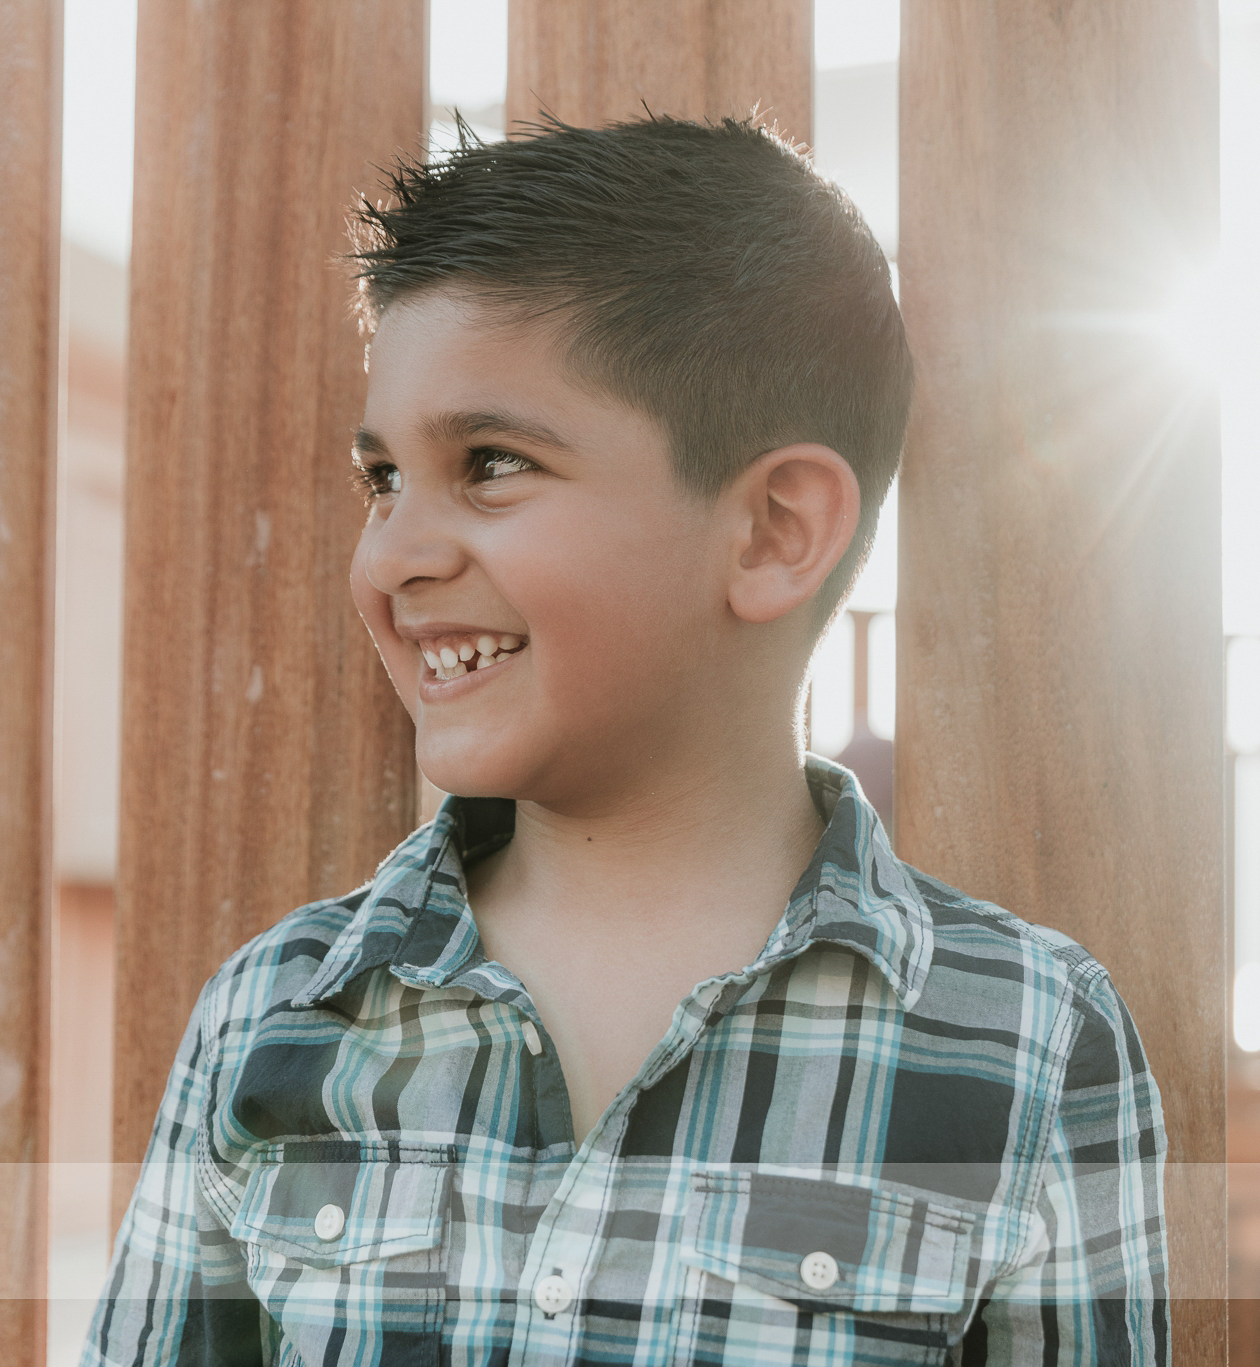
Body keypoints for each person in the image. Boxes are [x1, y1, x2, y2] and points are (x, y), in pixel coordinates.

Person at [84, 115, 1168, 1367]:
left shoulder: (1026, 1036)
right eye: (381, 478)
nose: (393, 555)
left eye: (490, 463)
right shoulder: (274, 1013)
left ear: (770, 529)